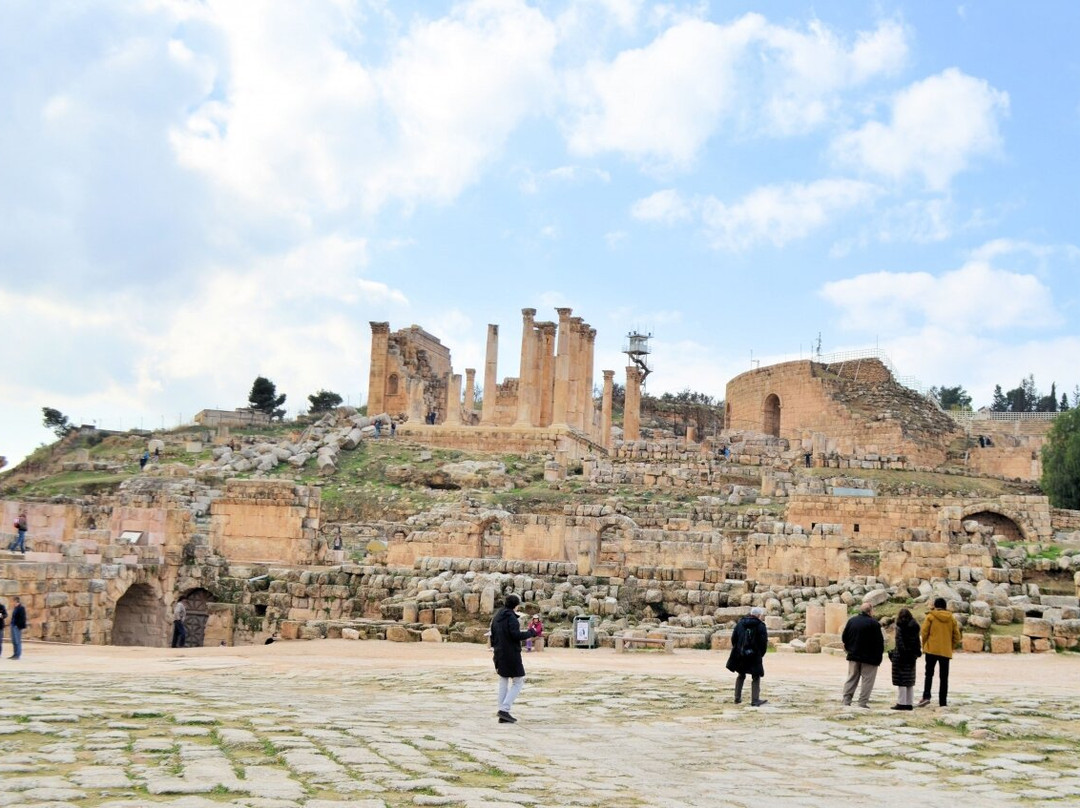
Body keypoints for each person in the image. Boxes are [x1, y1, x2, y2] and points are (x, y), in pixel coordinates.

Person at [489, 593, 537, 723]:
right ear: (515, 606)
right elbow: (515, 635)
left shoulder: (497, 616)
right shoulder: (511, 618)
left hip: (499, 652)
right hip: (511, 654)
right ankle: (504, 709)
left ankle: (502, 712)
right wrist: (531, 633)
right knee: (518, 681)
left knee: (503, 680)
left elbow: (492, 634)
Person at [919, 597, 961, 707]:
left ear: (935, 606)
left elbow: (924, 632)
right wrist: (950, 646)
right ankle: (943, 701)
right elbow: (957, 636)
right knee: (944, 677)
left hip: (931, 649)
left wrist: (925, 645)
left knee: (929, 674)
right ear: (945, 606)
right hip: (945, 651)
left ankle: (926, 696)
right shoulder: (951, 618)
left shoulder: (931, 616)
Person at [841, 602, 884, 708]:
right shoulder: (874, 623)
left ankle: (846, 700)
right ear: (870, 611)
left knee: (851, 678)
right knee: (867, 680)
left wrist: (848, 649)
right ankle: (862, 702)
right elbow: (879, 642)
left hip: (854, 654)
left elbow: (844, 637)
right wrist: (879, 657)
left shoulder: (852, 621)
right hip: (870, 658)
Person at [726, 606, 769, 706]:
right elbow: (763, 642)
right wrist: (760, 653)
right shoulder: (760, 625)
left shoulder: (740, 623)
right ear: (758, 615)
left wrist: (739, 649)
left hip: (741, 654)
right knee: (756, 676)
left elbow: (734, 638)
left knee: (741, 675)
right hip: (754, 655)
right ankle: (755, 700)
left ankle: (737, 698)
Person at [890, 607, 922, 711]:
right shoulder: (915, 627)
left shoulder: (900, 627)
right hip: (912, 656)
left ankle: (901, 702)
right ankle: (909, 703)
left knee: (901, 681)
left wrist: (897, 655)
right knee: (909, 681)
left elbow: (899, 643)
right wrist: (915, 654)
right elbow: (917, 642)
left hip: (901, 657)